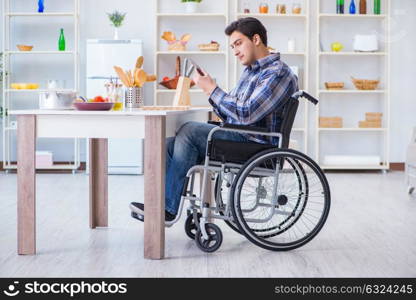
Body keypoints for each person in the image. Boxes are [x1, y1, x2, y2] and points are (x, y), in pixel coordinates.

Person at [130, 17, 299, 222]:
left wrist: (212, 89)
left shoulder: (278, 72)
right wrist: (210, 89)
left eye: (238, 44)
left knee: (189, 131)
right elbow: (233, 113)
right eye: (232, 46)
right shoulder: (251, 72)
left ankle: (167, 209)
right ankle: (162, 204)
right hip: (241, 138)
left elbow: (246, 114)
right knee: (169, 144)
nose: (235, 51)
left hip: (257, 146)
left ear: (256, 39)